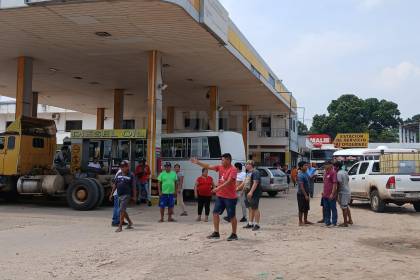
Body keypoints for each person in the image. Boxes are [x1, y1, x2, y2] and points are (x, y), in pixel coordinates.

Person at [191, 153, 239, 241]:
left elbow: (229, 181)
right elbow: (208, 166)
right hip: (220, 195)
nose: (221, 161)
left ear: (228, 160)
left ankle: (234, 234)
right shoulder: (220, 167)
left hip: (230, 197)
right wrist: (198, 162)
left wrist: (217, 188)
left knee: (232, 216)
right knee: (215, 213)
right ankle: (216, 232)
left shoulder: (233, 169)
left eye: (223, 160)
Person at [109, 160, 136, 232]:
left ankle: (120, 226)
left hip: (126, 195)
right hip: (119, 195)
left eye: (124, 166)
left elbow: (133, 186)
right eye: (121, 167)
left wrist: (134, 196)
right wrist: (111, 194)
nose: (123, 168)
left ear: (127, 167)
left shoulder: (131, 175)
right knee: (123, 210)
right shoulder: (119, 174)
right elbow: (115, 185)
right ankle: (130, 222)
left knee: (121, 210)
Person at [243, 160, 262, 231]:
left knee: (255, 208)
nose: (245, 165)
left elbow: (255, 183)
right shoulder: (248, 173)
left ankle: (257, 224)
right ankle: (250, 223)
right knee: (250, 208)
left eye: (247, 164)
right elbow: (245, 182)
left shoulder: (255, 172)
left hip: (254, 193)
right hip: (247, 192)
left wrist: (251, 192)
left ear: (251, 165)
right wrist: (240, 189)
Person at [334, 162, 354, 227]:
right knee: (346, 206)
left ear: (337, 167)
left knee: (344, 208)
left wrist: (336, 193)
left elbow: (339, 184)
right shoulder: (345, 172)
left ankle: (345, 223)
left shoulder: (339, 173)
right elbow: (348, 180)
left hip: (343, 192)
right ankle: (350, 220)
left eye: (334, 167)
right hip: (347, 191)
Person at [296, 161, 313, 226]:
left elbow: (309, 178)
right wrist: (305, 195)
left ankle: (305, 220)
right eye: (305, 165)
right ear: (301, 167)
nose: (306, 167)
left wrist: (313, 176)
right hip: (301, 194)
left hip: (306, 193)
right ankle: (300, 222)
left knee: (306, 208)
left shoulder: (306, 173)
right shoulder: (300, 175)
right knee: (301, 208)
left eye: (306, 165)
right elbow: (301, 186)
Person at [322, 161, 338, 226]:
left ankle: (334, 222)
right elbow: (325, 183)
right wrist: (323, 192)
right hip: (325, 194)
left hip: (331, 195)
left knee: (333, 208)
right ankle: (327, 222)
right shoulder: (325, 173)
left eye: (326, 165)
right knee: (326, 208)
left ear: (330, 165)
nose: (325, 166)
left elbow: (335, 184)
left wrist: (332, 193)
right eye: (325, 165)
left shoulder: (333, 173)